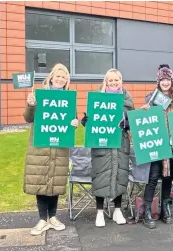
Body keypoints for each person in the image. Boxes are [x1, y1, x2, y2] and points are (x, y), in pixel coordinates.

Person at [23, 63, 79, 236]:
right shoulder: (40, 95)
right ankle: (42, 219)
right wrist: (31, 104)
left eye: (64, 77)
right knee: (41, 181)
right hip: (41, 148)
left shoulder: (68, 99)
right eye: (58, 76)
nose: (61, 79)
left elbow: (72, 119)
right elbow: (28, 118)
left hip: (60, 148)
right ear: (52, 77)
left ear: (67, 80)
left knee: (54, 181)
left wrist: (74, 123)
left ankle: (53, 217)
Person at [81, 68, 134, 227]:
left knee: (119, 175)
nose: (113, 82)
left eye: (116, 80)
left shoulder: (127, 99)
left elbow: (133, 120)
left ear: (121, 80)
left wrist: (127, 124)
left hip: (120, 144)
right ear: (106, 81)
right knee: (101, 175)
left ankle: (117, 210)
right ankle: (99, 212)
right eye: (110, 80)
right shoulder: (97, 97)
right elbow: (90, 120)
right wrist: (86, 121)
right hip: (101, 145)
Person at [140, 64, 173, 229]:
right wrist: (144, 111)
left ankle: (165, 207)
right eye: (162, 79)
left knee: (168, 177)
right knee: (153, 177)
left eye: (168, 79)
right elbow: (145, 121)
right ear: (158, 81)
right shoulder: (151, 98)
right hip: (157, 143)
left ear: (172, 80)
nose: (165, 82)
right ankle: (147, 211)